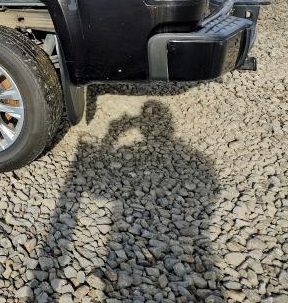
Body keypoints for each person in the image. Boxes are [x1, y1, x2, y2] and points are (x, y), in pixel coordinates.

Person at [40, 100, 222, 300]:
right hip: (204, 254)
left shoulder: (135, 150)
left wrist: (110, 137)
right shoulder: (201, 159)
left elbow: (98, 193)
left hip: (116, 244)